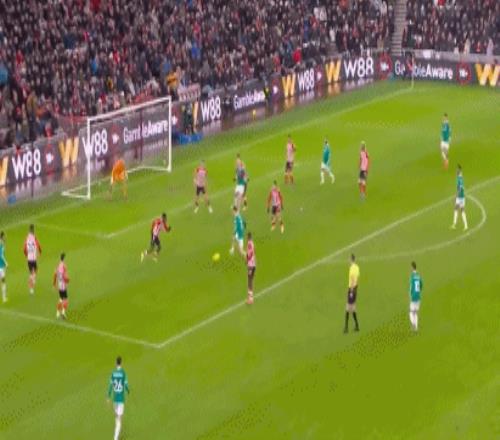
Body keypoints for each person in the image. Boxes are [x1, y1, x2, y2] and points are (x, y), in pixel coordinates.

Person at [107, 356, 130, 440]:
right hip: (121, 399)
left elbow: (110, 385)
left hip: (115, 399)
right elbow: (126, 384)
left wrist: (108, 396)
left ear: (116, 363)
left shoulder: (113, 373)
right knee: (120, 418)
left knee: (116, 417)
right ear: (121, 362)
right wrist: (128, 390)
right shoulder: (123, 373)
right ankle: (116, 437)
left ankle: (117, 434)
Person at [24, 224, 42, 295]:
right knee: (33, 273)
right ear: (33, 229)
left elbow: (24, 248)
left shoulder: (27, 238)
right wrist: (40, 252)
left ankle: (32, 279)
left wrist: (26, 255)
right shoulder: (34, 237)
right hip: (34, 258)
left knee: (34, 271)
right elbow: (38, 245)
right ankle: (31, 287)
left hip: (29, 259)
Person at [344, 254, 360, 333]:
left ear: (351, 259)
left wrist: (351, 290)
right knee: (352, 308)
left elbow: (353, 279)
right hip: (355, 288)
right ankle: (357, 326)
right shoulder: (357, 267)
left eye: (349, 259)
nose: (348, 260)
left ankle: (346, 328)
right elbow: (357, 278)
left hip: (352, 289)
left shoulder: (351, 268)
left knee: (348, 308)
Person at [451, 165, 468, 231]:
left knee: (458, 209)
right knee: (460, 209)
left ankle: (455, 224)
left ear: (459, 170)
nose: (456, 171)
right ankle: (464, 225)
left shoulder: (459, 179)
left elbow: (460, 188)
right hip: (462, 197)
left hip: (460, 197)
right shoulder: (460, 177)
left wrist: (456, 195)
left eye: (457, 170)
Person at [53, 253, 69, 319]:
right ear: (64, 258)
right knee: (66, 300)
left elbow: (55, 275)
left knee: (60, 299)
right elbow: (65, 277)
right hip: (63, 286)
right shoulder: (64, 266)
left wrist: (54, 284)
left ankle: (57, 312)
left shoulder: (57, 266)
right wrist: (67, 280)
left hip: (59, 286)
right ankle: (63, 312)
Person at [409, 261, 423, 331]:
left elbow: (411, 287)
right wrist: (419, 292)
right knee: (416, 313)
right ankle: (416, 328)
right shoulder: (419, 276)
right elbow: (421, 285)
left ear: (412, 267)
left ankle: (413, 324)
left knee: (411, 312)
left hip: (414, 296)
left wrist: (410, 294)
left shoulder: (412, 276)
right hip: (418, 296)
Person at [246, 232, 256, 305]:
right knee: (250, 280)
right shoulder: (252, 243)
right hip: (253, 264)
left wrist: (247, 259)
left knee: (249, 281)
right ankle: (250, 297)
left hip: (251, 265)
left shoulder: (249, 244)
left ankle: (251, 299)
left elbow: (250, 253)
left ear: (248, 237)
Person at [0, 231, 8, 303]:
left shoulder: (2, 243)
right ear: (2, 236)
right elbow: (1, 255)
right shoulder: (1, 244)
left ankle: (4, 297)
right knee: (3, 281)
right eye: (4, 236)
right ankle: (4, 298)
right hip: (1, 266)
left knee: (3, 281)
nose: (6, 237)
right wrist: (6, 263)